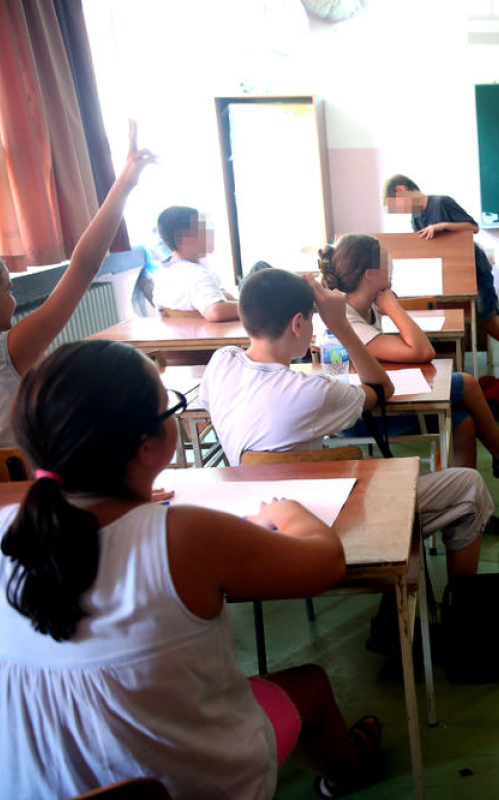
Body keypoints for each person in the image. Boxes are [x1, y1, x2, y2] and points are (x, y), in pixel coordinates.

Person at [0, 340, 381, 797]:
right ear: (146, 446)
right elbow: (327, 563)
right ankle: (344, 775)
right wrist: (289, 511)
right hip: (196, 787)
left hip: (39, 787)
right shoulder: (182, 535)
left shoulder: (12, 527)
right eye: (170, 407)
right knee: (312, 685)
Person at [200, 267, 491, 579]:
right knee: (468, 485)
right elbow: (381, 388)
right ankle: (461, 597)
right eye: (312, 318)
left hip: (253, 516)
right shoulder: (311, 392)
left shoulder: (221, 362)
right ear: (298, 324)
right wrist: (340, 324)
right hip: (323, 522)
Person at [319, 233, 499, 488]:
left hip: (378, 402)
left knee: (463, 420)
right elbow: (423, 351)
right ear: (370, 274)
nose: (392, 265)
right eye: (386, 261)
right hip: (358, 417)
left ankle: (466, 497)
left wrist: (388, 304)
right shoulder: (348, 316)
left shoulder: (367, 304)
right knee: (467, 384)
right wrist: (393, 306)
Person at [0, 122, 155, 447]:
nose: (13, 300)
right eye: (8, 290)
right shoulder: (12, 348)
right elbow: (84, 267)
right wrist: (124, 185)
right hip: (33, 476)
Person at [382, 175, 499, 400]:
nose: (400, 211)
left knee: (492, 326)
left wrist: (442, 226)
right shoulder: (416, 218)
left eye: (396, 206)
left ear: (401, 190)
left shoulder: (440, 202)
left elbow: (473, 227)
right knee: (455, 325)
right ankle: (458, 383)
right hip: (449, 277)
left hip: (474, 272)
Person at [152, 206, 239, 321]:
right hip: (213, 331)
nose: (208, 235)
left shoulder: (161, 272)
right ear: (185, 238)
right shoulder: (196, 274)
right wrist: (253, 307)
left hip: (183, 330)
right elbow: (215, 311)